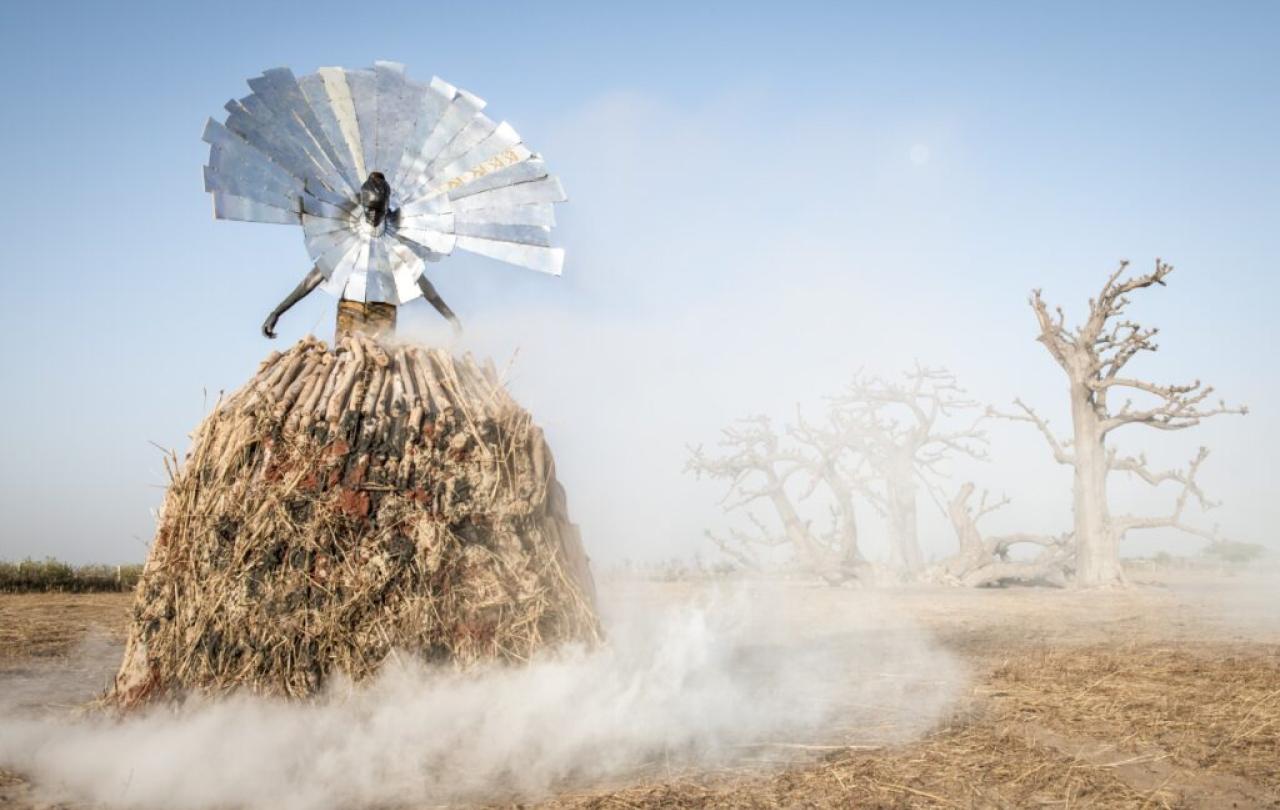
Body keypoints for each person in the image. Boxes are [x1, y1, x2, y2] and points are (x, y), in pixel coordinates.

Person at [261, 172, 461, 339]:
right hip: (350, 310)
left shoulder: (397, 239)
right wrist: (278, 312)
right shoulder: (346, 233)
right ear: (363, 204)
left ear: (387, 205)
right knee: (348, 361)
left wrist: (450, 317)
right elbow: (313, 278)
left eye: (378, 210)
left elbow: (421, 283)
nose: (373, 215)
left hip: (384, 312)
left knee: (382, 367)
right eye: (369, 210)